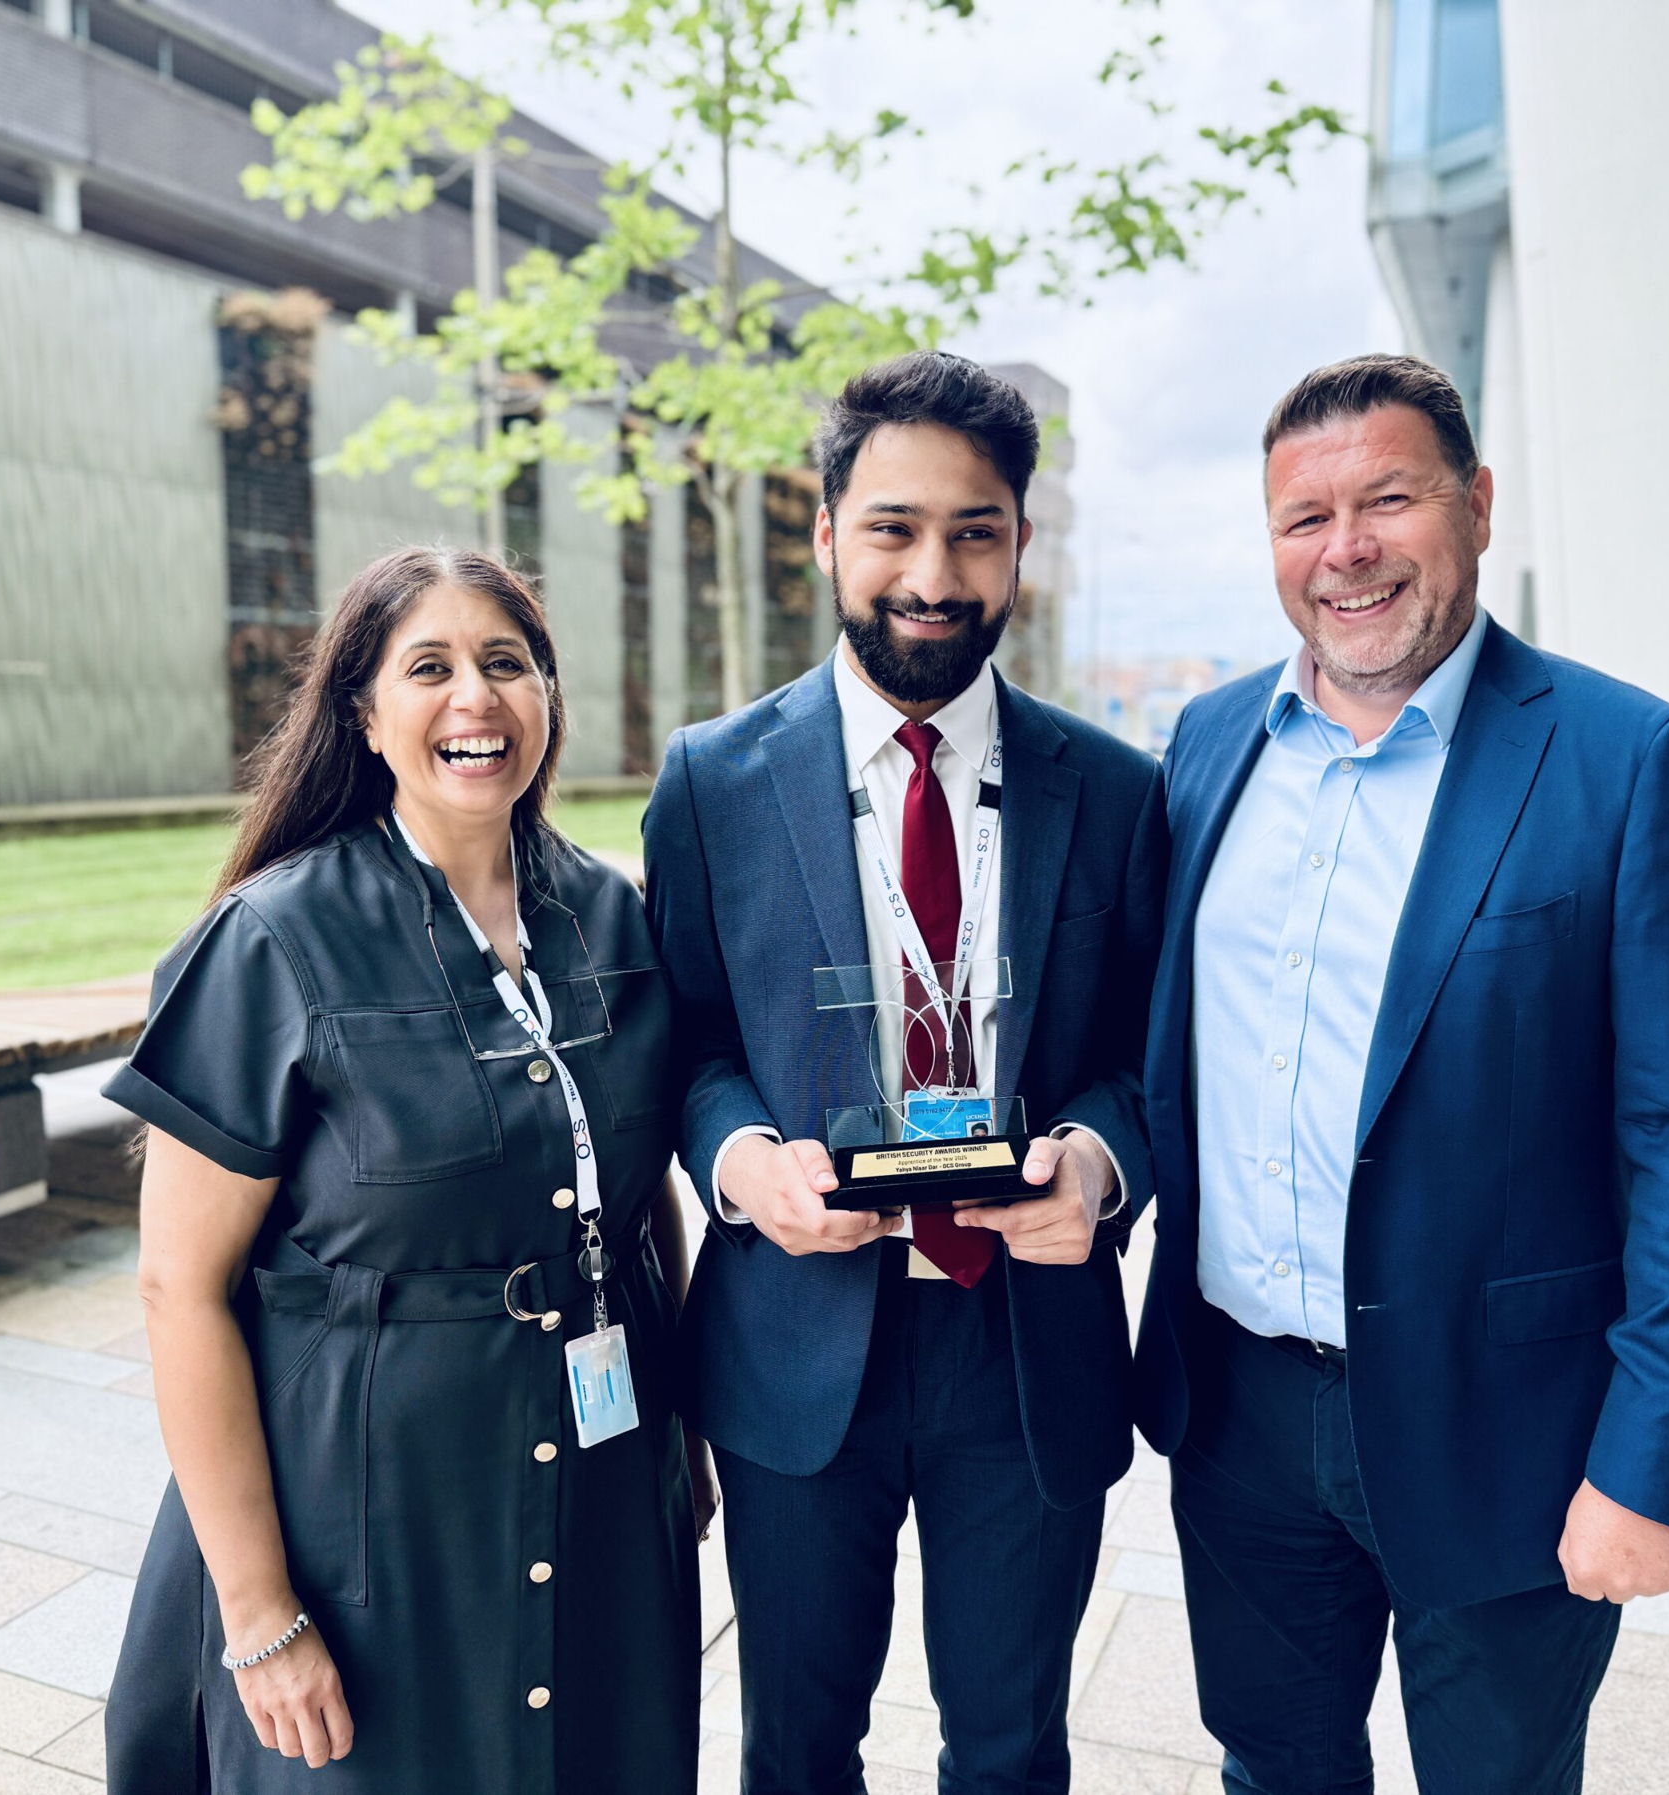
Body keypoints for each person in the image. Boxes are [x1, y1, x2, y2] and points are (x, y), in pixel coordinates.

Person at [1135, 354, 1669, 1794]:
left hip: (1512, 1431)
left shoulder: (1636, 765)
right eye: (1305, 518)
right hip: (1239, 1411)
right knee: (1272, 1764)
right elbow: (1156, 1053)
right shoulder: (1205, 744)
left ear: (1478, 505)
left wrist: (1655, 1460)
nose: (1346, 549)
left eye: (1388, 498)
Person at [102, 547, 707, 1793]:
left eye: (507, 663)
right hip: (366, 1510)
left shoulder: (614, 917)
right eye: (428, 667)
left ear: (548, 695)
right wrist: (261, 1615)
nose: (475, 698)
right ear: (364, 716)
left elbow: (640, 1197)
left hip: (603, 1481)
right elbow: (178, 1288)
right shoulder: (272, 936)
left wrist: (680, 1440)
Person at [644, 352, 1165, 1794]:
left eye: (974, 530)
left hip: (1027, 1340)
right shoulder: (709, 780)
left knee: (1010, 1750)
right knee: (797, 1748)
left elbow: (1147, 1057)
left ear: (1019, 546)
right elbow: (688, 1042)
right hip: (796, 1338)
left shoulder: (1115, 791)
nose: (932, 572)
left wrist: (1104, 1164)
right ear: (824, 533)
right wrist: (743, 1165)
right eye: (893, 527)